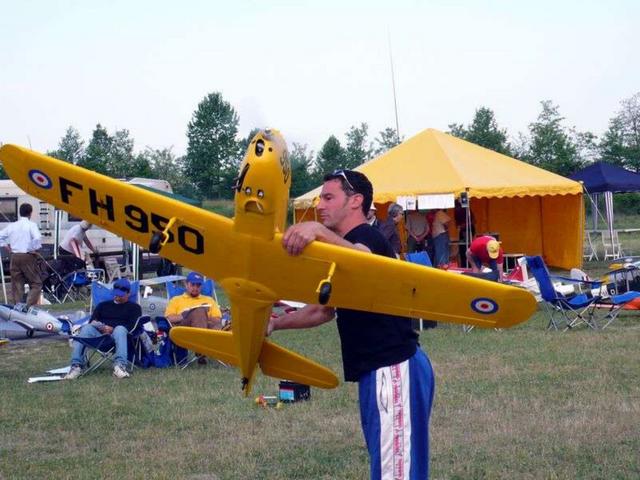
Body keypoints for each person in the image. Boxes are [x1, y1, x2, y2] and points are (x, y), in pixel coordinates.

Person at [269, 169, 435, 479]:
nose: (320, 205)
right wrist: (276, 324)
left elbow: (361, 258)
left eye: (329, 198)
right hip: (380, 370)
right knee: (395, 465)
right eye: (320, 198)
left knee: (394, 472)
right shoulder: (342, 250)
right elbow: (323, 311)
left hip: (392, 367)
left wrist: (318, 231)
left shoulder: (366, 237)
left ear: (356, 201)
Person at [65, 278, 141, 379]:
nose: (117, 296)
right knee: (86, 328)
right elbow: (92, 321)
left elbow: (132, 327)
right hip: (100, 337)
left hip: (119, 337)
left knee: (120, 329)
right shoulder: (103, 305)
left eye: (121, 294)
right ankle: (76, 366)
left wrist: (112, 329)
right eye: (116, 293)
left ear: (128, 293)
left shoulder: (134, 308)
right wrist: (102, 327)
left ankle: (120, 366)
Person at [164, 271, 223, 364]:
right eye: (192, 285)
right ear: (186, 284)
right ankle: (202, 352)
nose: (195, 288)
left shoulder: (209, 300)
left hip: (206, 328)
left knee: (202, 314)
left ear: (201, 286)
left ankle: (201, 351)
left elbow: (217, 319)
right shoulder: (176, 300)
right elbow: (169, 319)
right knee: (198, 311)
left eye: (198, 285)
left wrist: (203, 316)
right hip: (184, 328)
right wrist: (185, 314)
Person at [0, 203, 43, 306]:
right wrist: (33, 248)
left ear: (20, 212)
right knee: (36, 283)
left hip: (14, 256)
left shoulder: (12, 226)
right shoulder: (31, 225)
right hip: (27, 255)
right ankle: (28, 306)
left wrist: (6, 246)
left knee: (17, 285)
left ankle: (18, 308)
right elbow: (37, 238)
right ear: (30, 213)